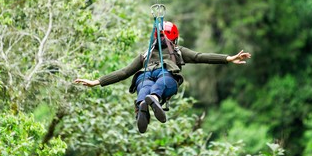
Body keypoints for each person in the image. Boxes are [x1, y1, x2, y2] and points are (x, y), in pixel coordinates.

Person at [74, 21, 251, 133]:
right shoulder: (177, 51)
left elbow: (124, 72)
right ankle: (155, 98)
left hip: (144, 75)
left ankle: (142, 106)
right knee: (165, 82)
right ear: (175, 38)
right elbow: (200, 57)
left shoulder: (145, 54)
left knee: (143, 87)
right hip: (165, 73)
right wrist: (228, 58)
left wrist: (96, 82)